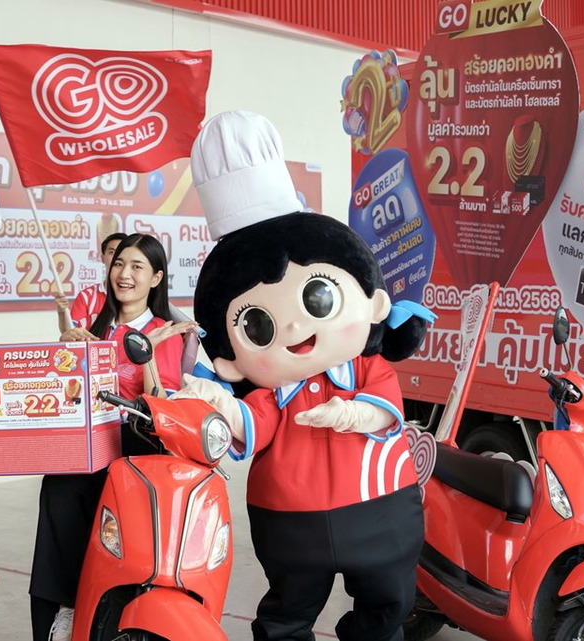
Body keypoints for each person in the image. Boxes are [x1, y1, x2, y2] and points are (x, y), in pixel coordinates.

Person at [176, 111, 434, 641]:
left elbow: (384, 410)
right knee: (287, 613)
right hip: (291, 519)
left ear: (373, 302)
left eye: (318, 297)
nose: (295, 326)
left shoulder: (367, 367)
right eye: (258, 324)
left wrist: (352, 412)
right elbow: (252, 424)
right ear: (230, 357)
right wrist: (218, 401)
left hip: (378, 506)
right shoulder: (273, 393)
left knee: (390, 601)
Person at [30, 233, 196, 641]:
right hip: (86, 441)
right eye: (119, 263)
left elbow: (160, 406)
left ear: (156, 278)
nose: (124, 274)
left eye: (137, 267)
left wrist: (147, 353)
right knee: (58, 491)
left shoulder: (164, 331)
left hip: (135, 444)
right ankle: (64, 608)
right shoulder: (95, 327)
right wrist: (64, 351)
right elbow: (65, 391)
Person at [55, 231, 127, 335]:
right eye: (112, 252)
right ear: (102, 258)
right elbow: (70, 333)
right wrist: (62, 313)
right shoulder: (86, 297)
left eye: (122, 252)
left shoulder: (139, 295)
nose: (117, 257)